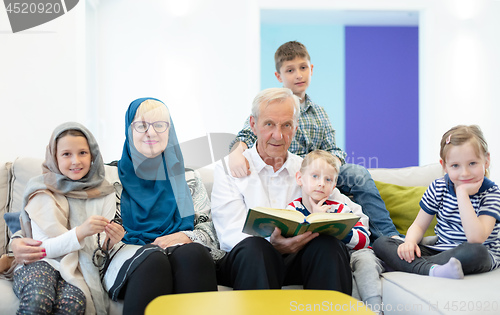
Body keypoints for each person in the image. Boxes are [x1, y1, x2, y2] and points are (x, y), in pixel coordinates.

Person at [228, 40, 401, 242]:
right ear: (279, 76)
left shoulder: (319, 112)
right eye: (290, 70)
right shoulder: (270, 106)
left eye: (303, 68)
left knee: (357, 173)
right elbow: (247, 135)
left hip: (320, 170)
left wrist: (328, 168)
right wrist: (236, 152)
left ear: (311, 69)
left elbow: (333, 149)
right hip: (293, 169)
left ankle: (389, 237)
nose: (298, 75)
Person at [212, 87, 357, 293]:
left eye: (286, 125)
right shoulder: (229, 168)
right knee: (256, 248)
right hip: (247, 260)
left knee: (329, 246)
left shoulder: (307, 169)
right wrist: (273, 243)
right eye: (269, 124)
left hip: (296, 258)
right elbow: (229, 234)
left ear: (295, 128)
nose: (278, 135)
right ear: (253, 125)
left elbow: (356, 215)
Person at [102, 98, 219, 315]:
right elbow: (97, 240)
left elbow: (209, 231)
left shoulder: (187, 179)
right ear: (129, 130)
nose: (151, 132)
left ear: (169, 130)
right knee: (153, 260)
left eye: (159, 125)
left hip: (178, 252)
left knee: (194, 254)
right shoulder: (110, 179)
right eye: (141, 125)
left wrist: (185, 236)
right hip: (130, 257)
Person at [11, 122, 123, 314]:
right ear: (54, 157)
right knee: (39, 296)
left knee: (73, 303)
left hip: (78, 269)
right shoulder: (41, 190)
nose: (75, 161)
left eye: (82, 153)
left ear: (93, 155)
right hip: (41, 261)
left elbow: (98, 249)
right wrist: (80, 232)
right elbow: (42, 250)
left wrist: (110, 242)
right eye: (66, 154)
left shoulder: (104, 191)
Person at [373, 125, 500, 279]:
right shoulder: (439, 186)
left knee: (476, 252)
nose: (465, 173)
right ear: (444, 166)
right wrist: (410, 242)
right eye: (455, 166)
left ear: (486, 161)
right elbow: (419, 225)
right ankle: (432, 269)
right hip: (440, 251)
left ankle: (408, 265)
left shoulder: (491, 193)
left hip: (474, 253)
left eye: (472, 163)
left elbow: (476, 238)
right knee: (381, 243)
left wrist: (462, 193)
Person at [286, 149, 383, 313]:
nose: (321, 183)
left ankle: (371, 309)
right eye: (315, 176)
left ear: (334, 185)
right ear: (299, 178)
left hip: (347, 255)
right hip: (315, 261)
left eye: (328, 179)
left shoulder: (340, 208)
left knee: (365, 262)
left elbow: (363, 240)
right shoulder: (293, 209)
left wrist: (332, 226)